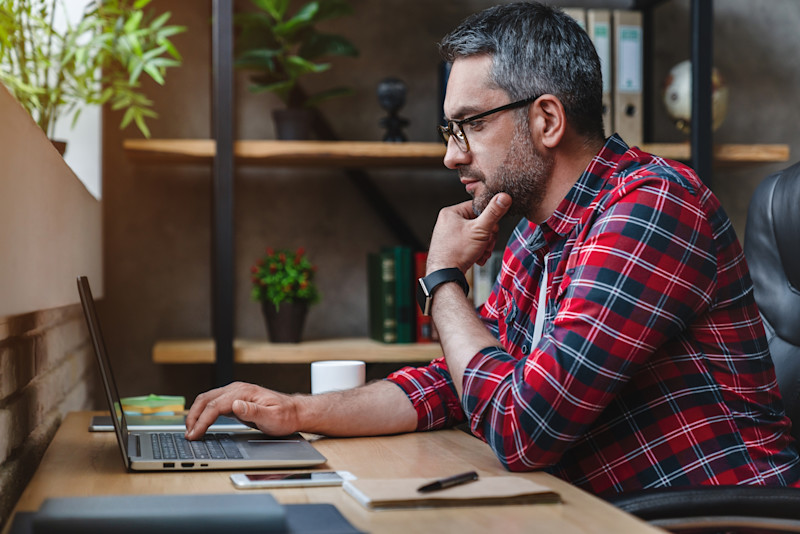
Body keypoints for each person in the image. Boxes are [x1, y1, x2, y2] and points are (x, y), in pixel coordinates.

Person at [186, 2, 800, 495]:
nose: (452, 155)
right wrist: (297, 411)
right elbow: (462, 384)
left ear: (547, 120)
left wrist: (445, 279)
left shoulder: (653, 207)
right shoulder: (534, 230)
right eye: (449, 131)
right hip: (604, 512)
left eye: (470, 125)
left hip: (714, 514)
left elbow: (523, 426)